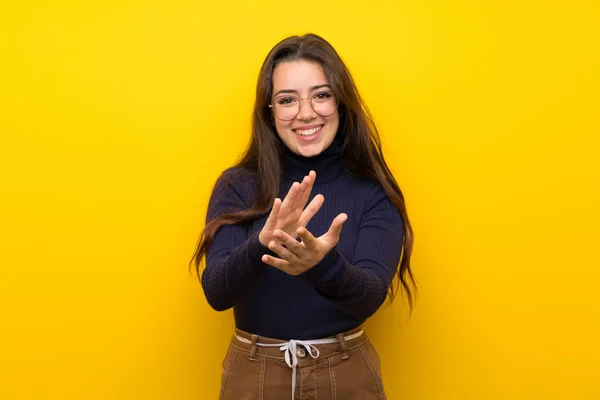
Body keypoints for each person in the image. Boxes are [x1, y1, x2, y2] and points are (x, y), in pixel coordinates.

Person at [190, 33, 416, 400]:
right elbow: (216, 291)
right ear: (269, 110)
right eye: (287, 100)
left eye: (321, 95)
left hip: (346, 374)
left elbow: (370, 297)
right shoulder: (239, 186)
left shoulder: (373, 191)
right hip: (255, 373)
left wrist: (320, 265)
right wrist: (263, 241)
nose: (306, 112)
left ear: (341, 101)